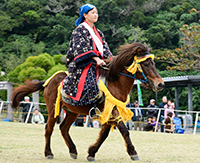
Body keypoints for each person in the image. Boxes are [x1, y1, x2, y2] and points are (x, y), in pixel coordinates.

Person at [62, 3, 113, 115]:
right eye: (92, 13)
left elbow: (105, 49)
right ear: (85, 15)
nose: (96, 15)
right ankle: (92, 107)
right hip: (84, 62)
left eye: (97, 13)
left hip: (100, 62)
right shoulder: (79, 30)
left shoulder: (99, 32)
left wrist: (112, 60)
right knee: (90, 81)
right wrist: (96, 59)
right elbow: (82, 48)